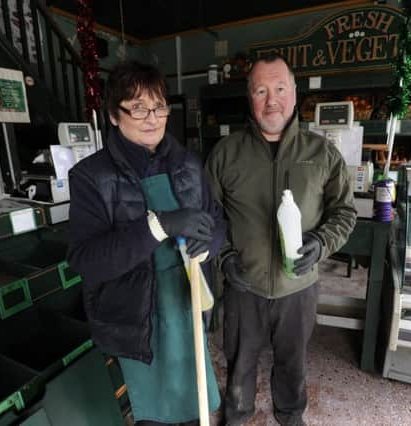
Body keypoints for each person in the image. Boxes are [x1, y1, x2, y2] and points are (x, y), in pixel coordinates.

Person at [67, 60, 224, 426]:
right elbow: (86, 260)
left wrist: (210, 243)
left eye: (158, 106)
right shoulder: (91, 177)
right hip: (134, 319)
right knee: (153, 416)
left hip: (185, 307)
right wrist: (161, 225)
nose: (152, 118)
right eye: (138, 107)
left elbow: (216, 218)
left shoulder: (187, 164)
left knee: (195, 406)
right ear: (114, 115)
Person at [205, 54, 357, 426]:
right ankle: (237, 415)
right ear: (250, 98)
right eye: (260, 90)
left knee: (293, 362)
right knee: (239, 360)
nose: (271, 99)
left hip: (299, 287)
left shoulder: (322, 153)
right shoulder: (226, 154)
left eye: (279, 88)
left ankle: (290, 417)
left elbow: (345, 212)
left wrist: (321, 243)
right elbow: (207, 214)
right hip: (244, 285)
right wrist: (224, 256)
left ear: (294, 93)